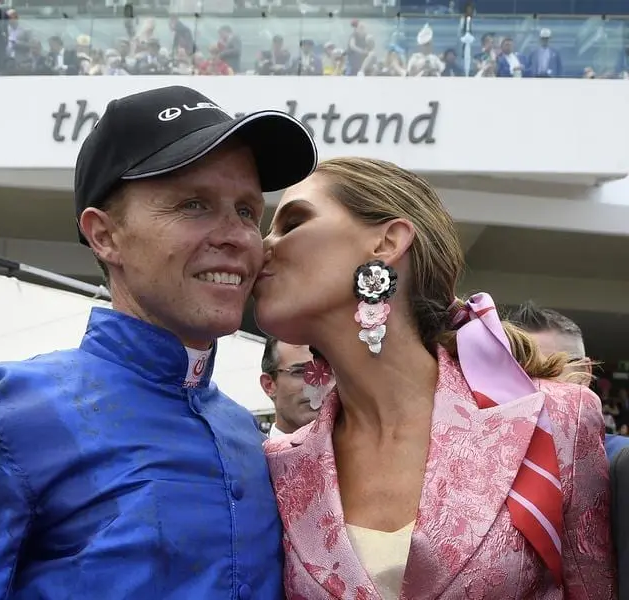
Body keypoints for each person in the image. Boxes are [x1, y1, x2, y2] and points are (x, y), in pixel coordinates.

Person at [0, 85, 317, 599]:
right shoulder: (3, 421)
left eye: (248, 210)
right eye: (194, 204)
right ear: (104, 235)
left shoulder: (244, 433)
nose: (237, 236)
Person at [254, 157, 614, 599]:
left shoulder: (556, 419)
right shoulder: (279, 464)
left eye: (292, 222)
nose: (262, 247)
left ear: (387, 242)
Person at [507, 300, 629, 461]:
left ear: (583, 374)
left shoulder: (618, 459)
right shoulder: (482, 463)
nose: (531, 389)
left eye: (548, 373)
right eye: (515, 374)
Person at [259, 338, 317, 437]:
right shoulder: (249, 451)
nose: (316, 383)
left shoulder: (348, 450)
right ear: (269, 385)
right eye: (300, 372)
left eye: (326, 372)